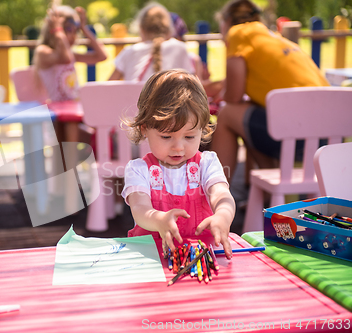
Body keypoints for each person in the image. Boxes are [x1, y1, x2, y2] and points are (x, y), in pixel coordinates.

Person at [209, 0, 329, 182]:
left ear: (226, 21)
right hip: (327, 141)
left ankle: (214, 193)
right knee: (249, 115)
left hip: (299, 140)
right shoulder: (273, 38)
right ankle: (264, 193)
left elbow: (233, 96)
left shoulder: (238, 33)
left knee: (227, 115)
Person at [121, 69, 235, 258]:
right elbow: (139, 208)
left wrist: (223, 215)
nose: (178, 147)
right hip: (152, 258)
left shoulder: (206, 163)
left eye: (190, 136)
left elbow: (222, 195)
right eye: (166, 137)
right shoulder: (139, 169)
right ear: (145, 129)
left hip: (201, 257)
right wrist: (158, 219)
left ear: (202, 129)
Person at [108, 2, 202, 82]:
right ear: (169, 30)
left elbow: (108, 85)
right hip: (172, 103)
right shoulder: (179, 48)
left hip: (134, 103)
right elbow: (192, 86)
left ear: (142, 30)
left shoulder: (129, 52)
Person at [33, 5, 107, 101]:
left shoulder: (71, 54)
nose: (73, 35)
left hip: (74, 107)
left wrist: (83, 28)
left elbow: (102, 56)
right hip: (57, 111)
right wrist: (58, 31)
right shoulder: (42, 51)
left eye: (75, 31)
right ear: (52, 30)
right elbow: (66, 59)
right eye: (68, 30)